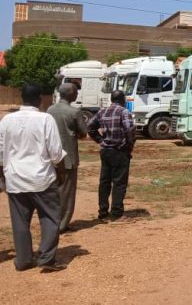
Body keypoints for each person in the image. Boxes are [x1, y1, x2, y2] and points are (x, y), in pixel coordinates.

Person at [0, 84, 67, 272]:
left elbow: (0, 152)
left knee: (20, 222)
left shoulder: (6, 120)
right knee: (50, 218)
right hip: (42, 178)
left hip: (15, 178)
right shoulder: (45, 119)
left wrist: (3, 176)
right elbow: (56, 153)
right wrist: (61, 173)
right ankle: (46, 258)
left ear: (22, 98)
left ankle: (23, 260)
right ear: (39, 99)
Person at [47, 83, 88, 233]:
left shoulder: (50, 110)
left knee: (53, 191)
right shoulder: (75, 112)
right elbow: (83, 133)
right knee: (66, 193)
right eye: (76, 92)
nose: (77, 94)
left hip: (51, 157)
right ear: (70, 94)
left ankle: (52, 221)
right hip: (68, 158)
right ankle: (61, 225)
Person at [88, 90, 134, 220]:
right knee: (119, 183)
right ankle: (117, 213)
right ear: (123, 99)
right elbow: (129, 129)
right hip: (120, 150)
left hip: (106, 151)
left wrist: (100, 141)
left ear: (112, 99)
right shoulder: (124, 112)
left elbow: (90, 127)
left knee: (105, 182)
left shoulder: (102, 111)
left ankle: (103, 212)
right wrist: (129, 145)